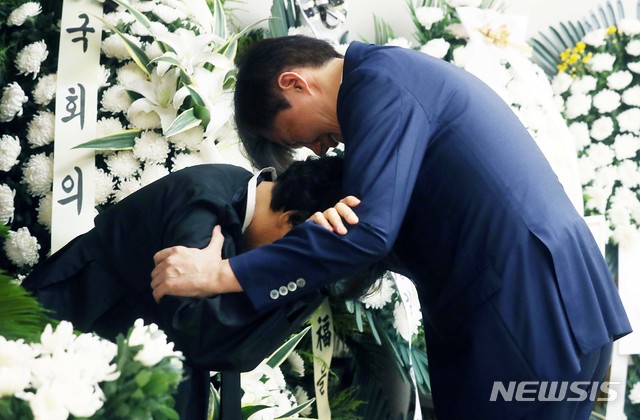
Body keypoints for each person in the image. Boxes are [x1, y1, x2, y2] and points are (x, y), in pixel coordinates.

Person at [150, 36, 632, 419]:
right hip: (561, 308)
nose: (316, 149)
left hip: (525, 315)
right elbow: (397, 227)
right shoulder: (395, 75)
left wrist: (220, 275)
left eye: (292, 136)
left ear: (294, 83)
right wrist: (325, 229)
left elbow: (370, 232)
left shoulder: (379, 85)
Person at [22, 155, 356, 420]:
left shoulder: (240, 201)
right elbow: (201, 335)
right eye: (299, 254)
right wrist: (297, 266)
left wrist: (309, 273)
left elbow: (240, 352)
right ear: (291, 221)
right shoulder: (204, 200)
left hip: (140, 352)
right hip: (77, 323)